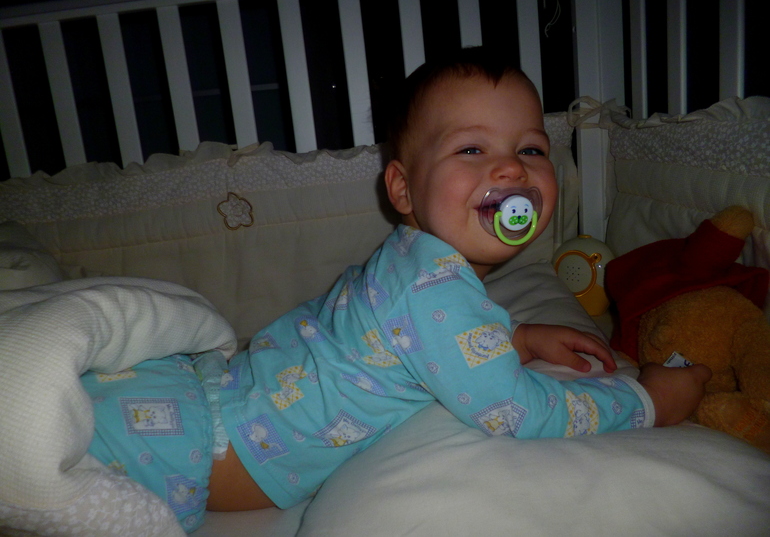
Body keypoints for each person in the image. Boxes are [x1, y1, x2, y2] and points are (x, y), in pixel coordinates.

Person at [84, 47, 712, 529]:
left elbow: (423, 342)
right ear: (403, 189)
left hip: (197, 401)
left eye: (530, 149)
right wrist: (646, 403)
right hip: (193, 448)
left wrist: (516, 337)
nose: (511, 169)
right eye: (472, 149)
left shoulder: (416, 261)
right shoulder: (432, 286)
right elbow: (519, 411)